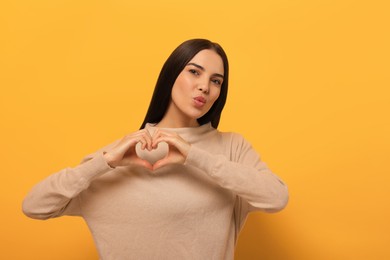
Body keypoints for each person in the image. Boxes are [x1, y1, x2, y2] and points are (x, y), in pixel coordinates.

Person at [22, 39, 289, 260]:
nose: (204, 87)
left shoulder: (230, 147)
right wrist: (103, 163)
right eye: (194, 72)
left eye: (216, 81)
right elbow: (34, 205)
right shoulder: (121, 155)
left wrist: (194, 156)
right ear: (171, 75)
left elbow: (276, 197)